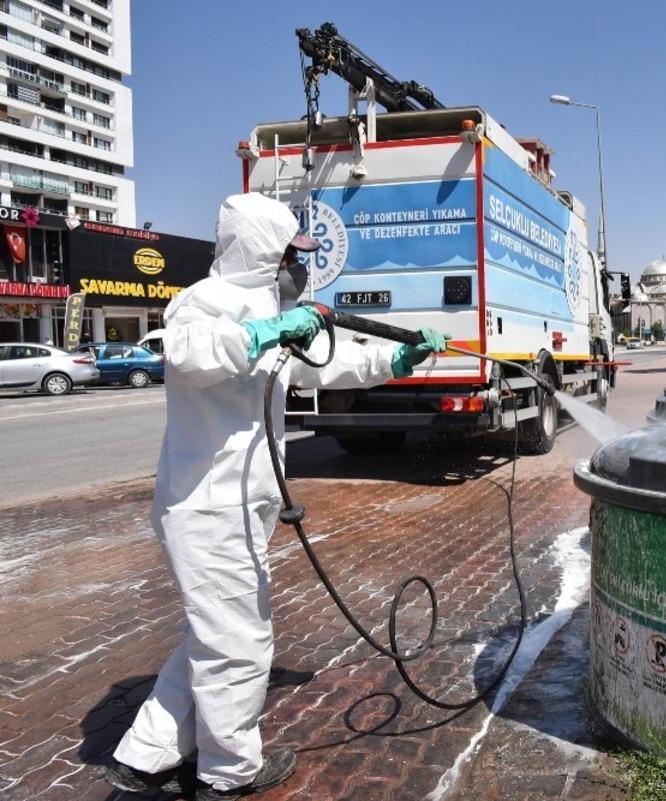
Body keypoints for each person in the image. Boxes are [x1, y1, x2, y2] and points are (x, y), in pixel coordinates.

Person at [103, 193, 446, 800]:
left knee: (213, 635)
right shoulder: (203, 303)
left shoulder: (271, 309)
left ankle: (146, 754)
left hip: (243, 507)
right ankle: (229, 772)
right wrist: (263, 332)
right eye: (292, 254)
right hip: (207, 507)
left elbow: (322, 365)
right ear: (263, 251)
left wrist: (396, 358)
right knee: (238, 645)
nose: (299, 266)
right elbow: (188, 354)